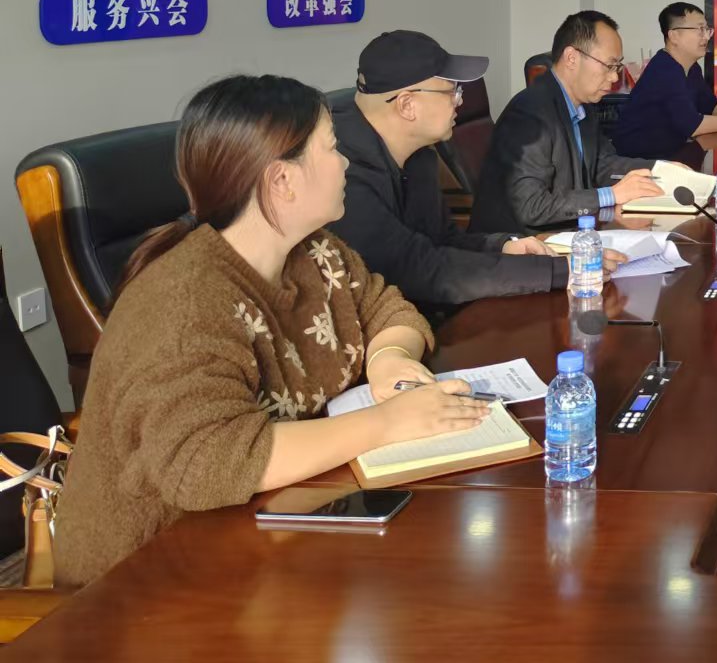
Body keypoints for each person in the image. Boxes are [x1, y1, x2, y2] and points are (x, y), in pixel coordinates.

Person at [53, 75, 490, 586]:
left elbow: (386, 308)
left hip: (281, 525)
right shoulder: (186, 303)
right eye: (332, 147)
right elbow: (206, 462)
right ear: (282, 180)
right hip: (150, 578)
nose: (346, 162)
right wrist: (387, 423)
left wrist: (389, 360)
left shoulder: (313, 250)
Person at [330, 30, 621, 311]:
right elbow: (421, 269)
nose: (460, 101)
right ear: (407, 105)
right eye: (452, 91)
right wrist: (558, 271)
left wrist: (505, 245)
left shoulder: (418, 155)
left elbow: (445, 239)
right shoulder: (342, 176)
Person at [472, 10, 664, 233]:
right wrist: (611, 195)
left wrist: (662, 170)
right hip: (522, 242)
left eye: (617, 67)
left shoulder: (584, 106)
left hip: (569, 232)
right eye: (609, 66)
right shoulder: (530, 113)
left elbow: (602, 164)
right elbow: (531, 206)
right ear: (572, 58)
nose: (614, 77)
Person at [612, 2, 717, 158]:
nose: (706, 37)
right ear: (674, 36)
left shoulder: (692, 68)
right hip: (637, 160)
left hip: (670, 153)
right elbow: (694, 126)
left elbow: (710, 106)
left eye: (707, 30)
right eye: (700, 30)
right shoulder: (665, 70)